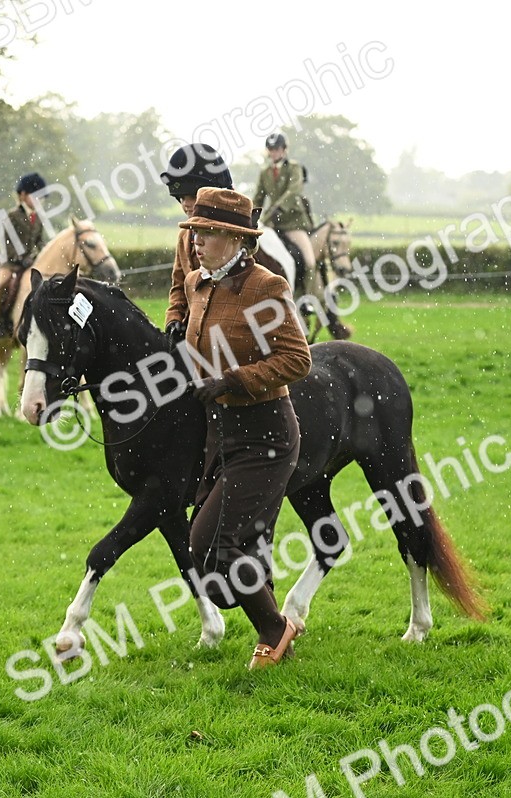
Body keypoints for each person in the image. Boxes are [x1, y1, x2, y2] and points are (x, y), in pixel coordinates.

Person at [174, 186, 312, 670]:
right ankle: (275, 627)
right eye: (194, 232)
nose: (196, 242)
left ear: (234, 239)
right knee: (221, 547)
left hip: (266, 435)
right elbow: (196, 354)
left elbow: (298, 359)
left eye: (207, 234)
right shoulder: (196, 284)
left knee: (209, 543)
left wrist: (231, 380)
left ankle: (276, 630)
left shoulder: (265, 287)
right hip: (218, 435)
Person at [159, 143, 234, 350]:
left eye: (192, 196)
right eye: (181, 198)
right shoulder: (184, 235)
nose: (185, 204)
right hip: (192, 334)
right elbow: (179, 284)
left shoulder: (236, 238)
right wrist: (174, 318)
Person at [251, 133, 325, 318]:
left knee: (309, 261)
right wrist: (250, 214)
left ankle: (307, 301)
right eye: (271, 149)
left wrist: (277, 208)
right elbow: (259, 197)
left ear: (284, 150)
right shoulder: (264, 172)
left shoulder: (294, 168)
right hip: (271, 225)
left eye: (277, 149)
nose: (274, 152)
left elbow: (293, 192)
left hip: (293, 224)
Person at [0, 172, 49, 301]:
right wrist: (20, 258)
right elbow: (7, 243)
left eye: (41, 198)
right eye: (35, 197)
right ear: (23, 195)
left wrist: (44, 253)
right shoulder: (12, 216)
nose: (39, 200)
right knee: (3, 283)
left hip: (31, 261)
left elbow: (39, 241)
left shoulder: (38, 217)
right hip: (11, 262)